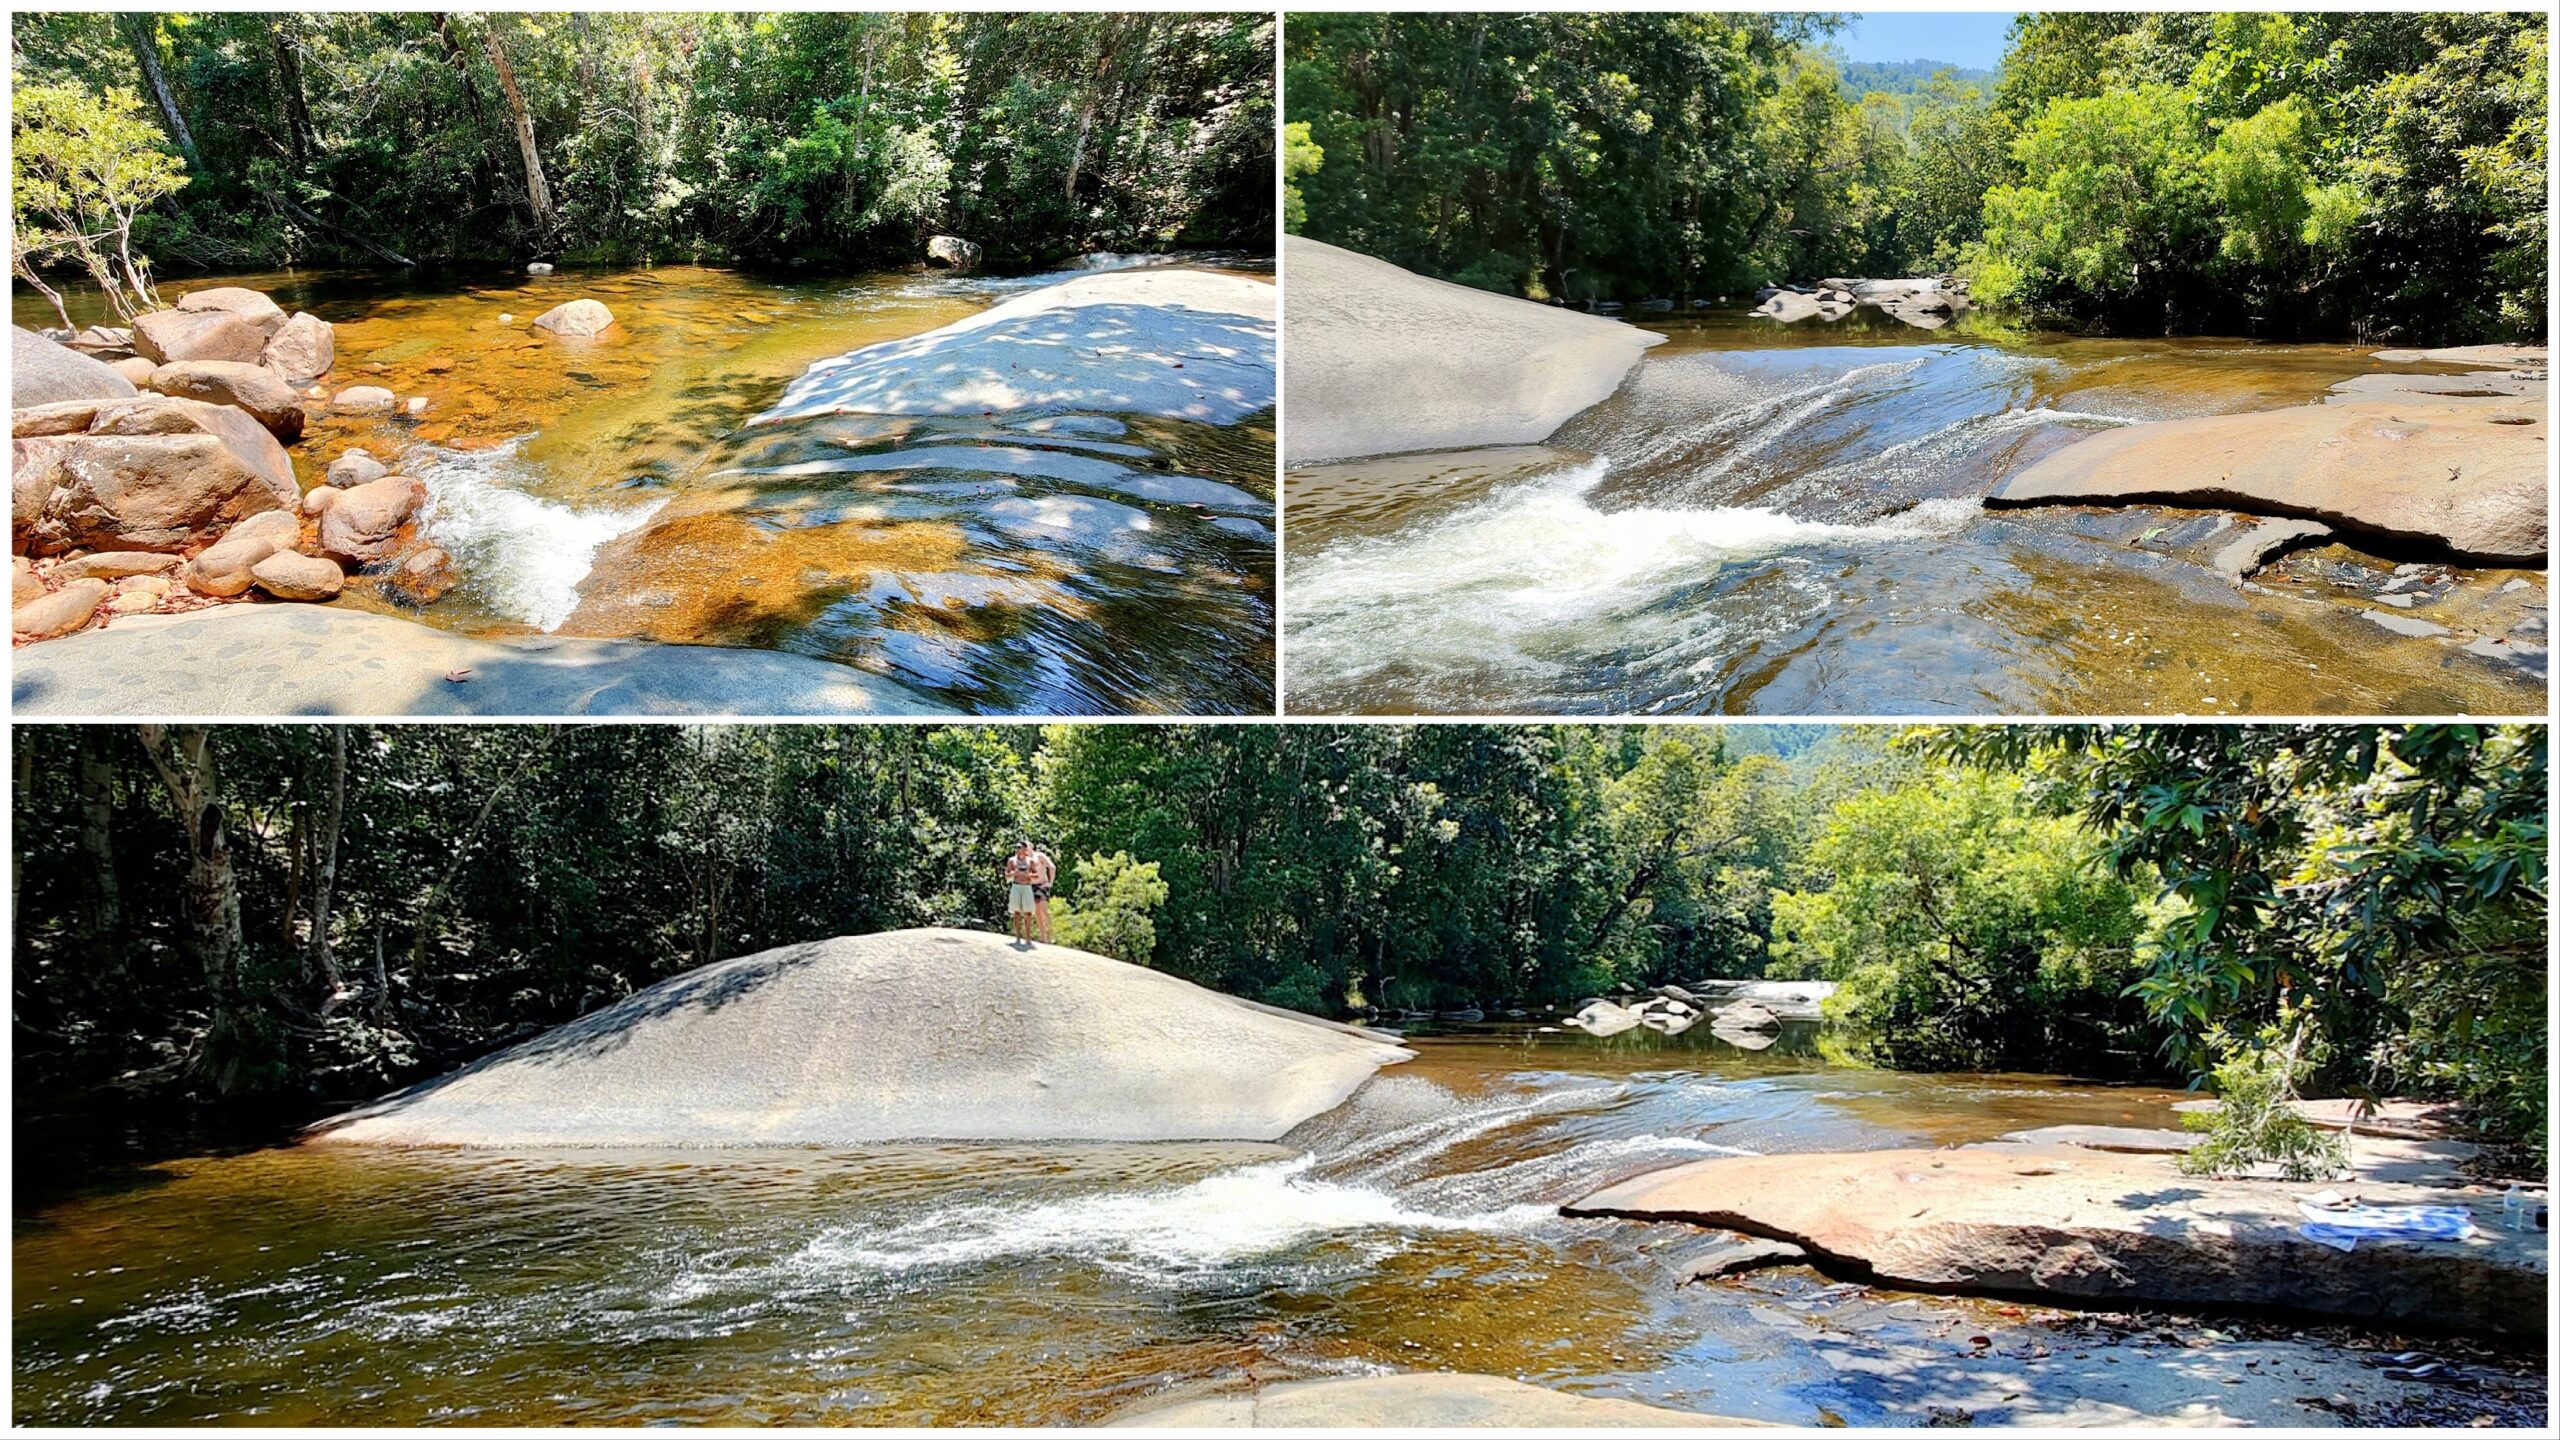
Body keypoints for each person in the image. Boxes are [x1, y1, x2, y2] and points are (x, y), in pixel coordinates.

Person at [1003, 840, 1040, 943]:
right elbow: (1006, 874)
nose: (1018, 849)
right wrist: (1015, 873)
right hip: (1016, 886)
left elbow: (1036, 875)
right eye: (1017, 847)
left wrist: (1028, 875)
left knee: (1028, 913)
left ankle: (1028, 937)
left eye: (1020, 847)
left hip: (1027, 886)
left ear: (1025, 849)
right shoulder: (1012, 860)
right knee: (1017, 913)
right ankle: (1018, 937)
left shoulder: (1030, 861)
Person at [1031, 845, 1058, 945]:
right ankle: (1043, 937)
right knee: (1037, 912)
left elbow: (1052, 867)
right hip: (1031, 886)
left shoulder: (1039, 856)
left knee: (1044, 910)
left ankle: (1051, 935)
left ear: (1031, 847)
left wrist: (1050, 883)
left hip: (1042, 885)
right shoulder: (1024, 859)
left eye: (1026, 846)